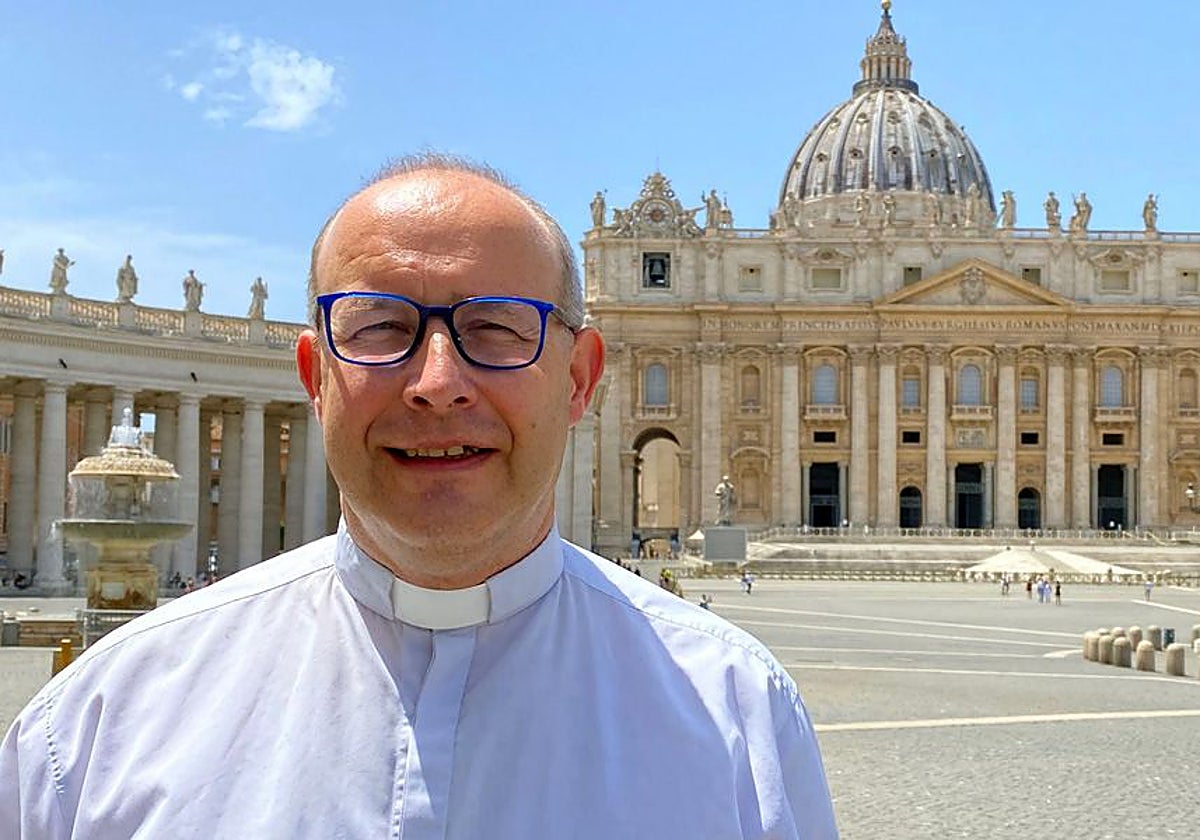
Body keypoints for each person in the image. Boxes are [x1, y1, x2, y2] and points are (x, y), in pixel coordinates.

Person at [1, 154, 836, 838]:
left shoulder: (743, 712)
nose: (438, 383)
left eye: (496, 329)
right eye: (380, 328)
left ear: (580, 379)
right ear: (314, 379)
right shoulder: (91, 727)